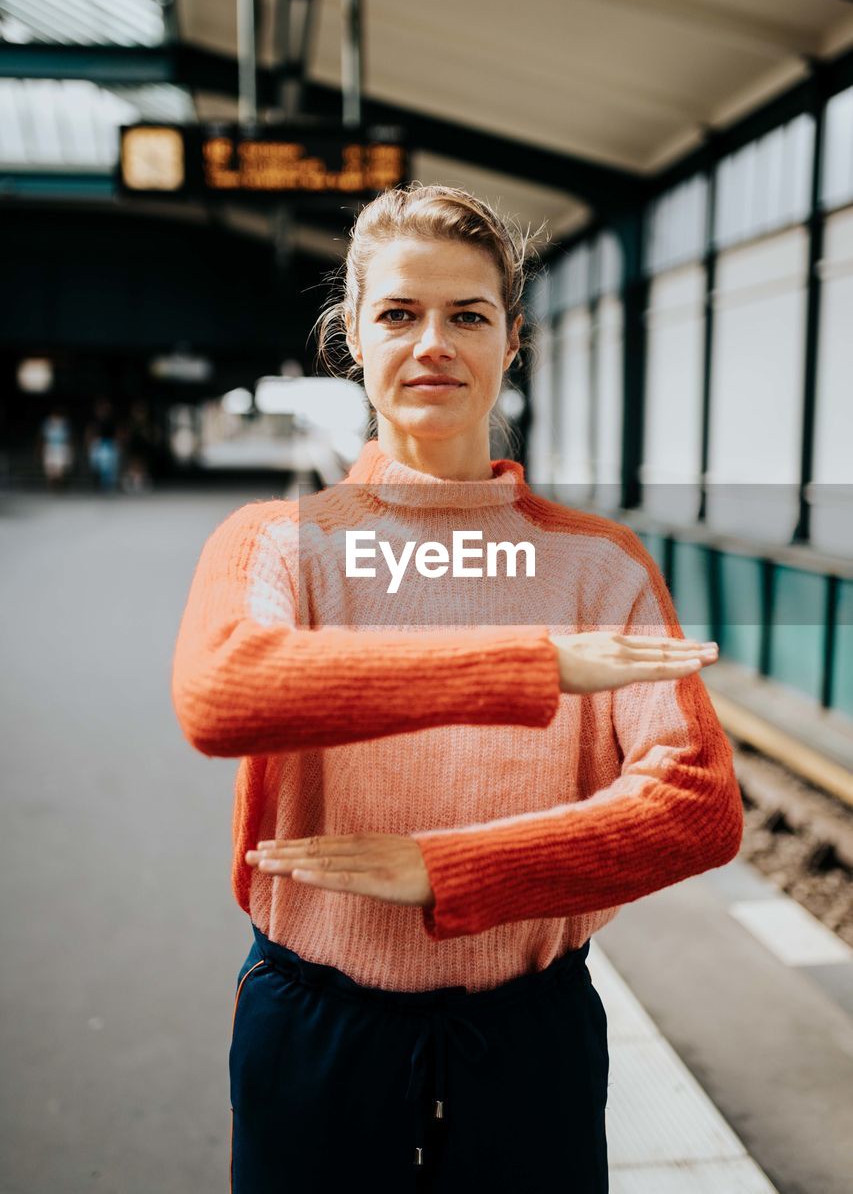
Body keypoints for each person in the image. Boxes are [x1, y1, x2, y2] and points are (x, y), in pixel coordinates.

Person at [171, 184, 743, 1194]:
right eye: (397, 313)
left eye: (466, 314)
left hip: (528, 1036)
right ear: (352, 334)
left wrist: (449, 868)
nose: (431, 340)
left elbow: (696, 805)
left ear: (511, 339)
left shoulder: (597, 564)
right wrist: (529, 666)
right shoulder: (279, 541)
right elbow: (224, 691)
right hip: (316, 1027)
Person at [39, 407, 74, 490]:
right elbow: (43, 437)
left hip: (61, 447)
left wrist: (70, 450)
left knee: (59, 470)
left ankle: (59, 487)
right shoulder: (47, 422)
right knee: (50, 469)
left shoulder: (64, 423)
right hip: (50, 447)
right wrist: (41, 448)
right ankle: (51, 486)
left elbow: (68, 437)